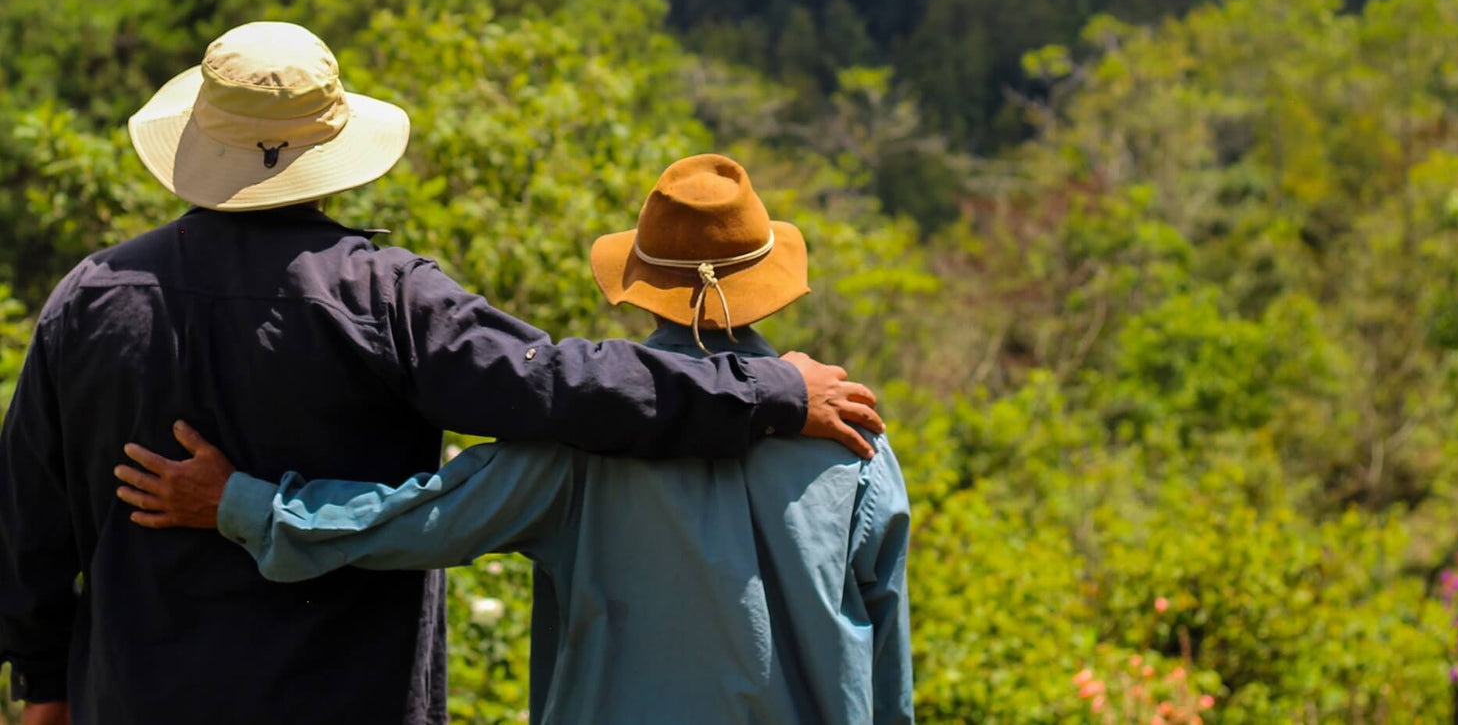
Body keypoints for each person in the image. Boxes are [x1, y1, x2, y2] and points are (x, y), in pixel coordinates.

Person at [0, 25, 882, 725]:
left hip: (136, 693)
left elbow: (28, 517)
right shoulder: (386, 298)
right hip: (349, 695)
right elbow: (561, 386)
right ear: (331, 146)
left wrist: (42, 683)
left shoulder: (91, 300)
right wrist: (768, 391)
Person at [116, 154, 914, 724]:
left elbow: (414, 522)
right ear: (772, 286)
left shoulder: (583, 445)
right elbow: (886, 665)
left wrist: (244, 505)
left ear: (643, 291)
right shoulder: (854, 443)